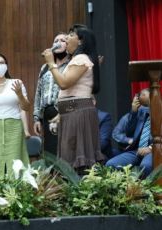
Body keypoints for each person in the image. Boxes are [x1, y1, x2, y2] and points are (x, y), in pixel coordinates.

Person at [42, 24, 105, 174]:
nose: (66, 38)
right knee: (70, 159)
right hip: (71, 113)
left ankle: (80, 193)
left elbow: (63, 83)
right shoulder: (77, 59)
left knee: (77, 161)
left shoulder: (81, 58)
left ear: (81, 41)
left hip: (78, 113)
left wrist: (51, 63)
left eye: (71, 35)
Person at [33, 32, 70, 156]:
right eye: (56, 41)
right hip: (47, 114)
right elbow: (38, 93)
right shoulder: (45, 67)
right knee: (49, 151)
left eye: (63, 40)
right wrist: (37, 118)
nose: (58, 43)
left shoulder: (72, 65)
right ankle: (52, 175)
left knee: (65, 150)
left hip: (64, 113)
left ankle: (65, 175)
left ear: (68, 45)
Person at [106, 89, 152, 177]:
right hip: (136, 150)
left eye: (143, 94)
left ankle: (144, 190)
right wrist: (134, 112)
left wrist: (150, 148)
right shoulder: (139, 113)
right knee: (111, 164)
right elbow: (129, 132)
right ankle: (122, 189)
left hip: (153, 151)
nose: (138, 96)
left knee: (146, 166)